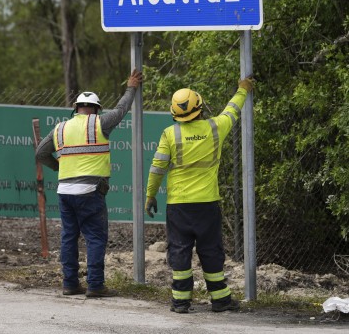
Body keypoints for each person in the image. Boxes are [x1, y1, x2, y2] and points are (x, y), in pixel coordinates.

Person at [144, 77, 254, 314]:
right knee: (211, 250)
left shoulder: (169, 134)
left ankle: (181, 301)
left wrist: (150, 195)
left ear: (174, 112)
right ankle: (221, 299)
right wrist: (242, 89)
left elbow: (157, 168)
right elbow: (232, 110)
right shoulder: (215, 127)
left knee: (180, 250)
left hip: (179, 205)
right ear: (200, 107)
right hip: (207, 204)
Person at [35, 69, 143, 298]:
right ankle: (95, 285)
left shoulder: (60, 128)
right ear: (95, 109)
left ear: (76, 109)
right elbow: (122, 109)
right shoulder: (99, 123)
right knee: (95, 237)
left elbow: (40, 153)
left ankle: (70, 284)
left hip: (65, 191)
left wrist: (58, 167)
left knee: (68, 236)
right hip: (90, 191)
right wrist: (131, 86)